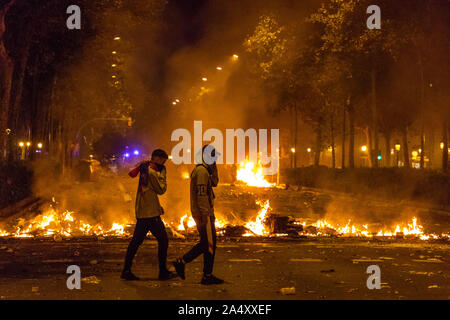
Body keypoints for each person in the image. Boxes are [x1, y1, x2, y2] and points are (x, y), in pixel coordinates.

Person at [121, 149, 177, 281]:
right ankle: (162, 272)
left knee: (135, 242)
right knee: (163, 240)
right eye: (163, 160)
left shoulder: (145, 168)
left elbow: (149, 191)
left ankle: (126, 270)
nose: (164, 163)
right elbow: (161, 189)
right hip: (150, 214)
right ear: (157, 158)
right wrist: (163, 174)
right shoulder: (152, 172)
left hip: (143, 211)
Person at [173, 145, 224, 285]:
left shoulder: (205, 170)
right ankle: (206, 275)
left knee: (206, 243)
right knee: (209, 244)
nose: (215, 158)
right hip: (204, 214)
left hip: (204, 213)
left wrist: (214, 167)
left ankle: (183, 262)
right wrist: (205, 215)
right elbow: (201, 195)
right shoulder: (201, 171)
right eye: (213, 155)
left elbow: (215, 183)